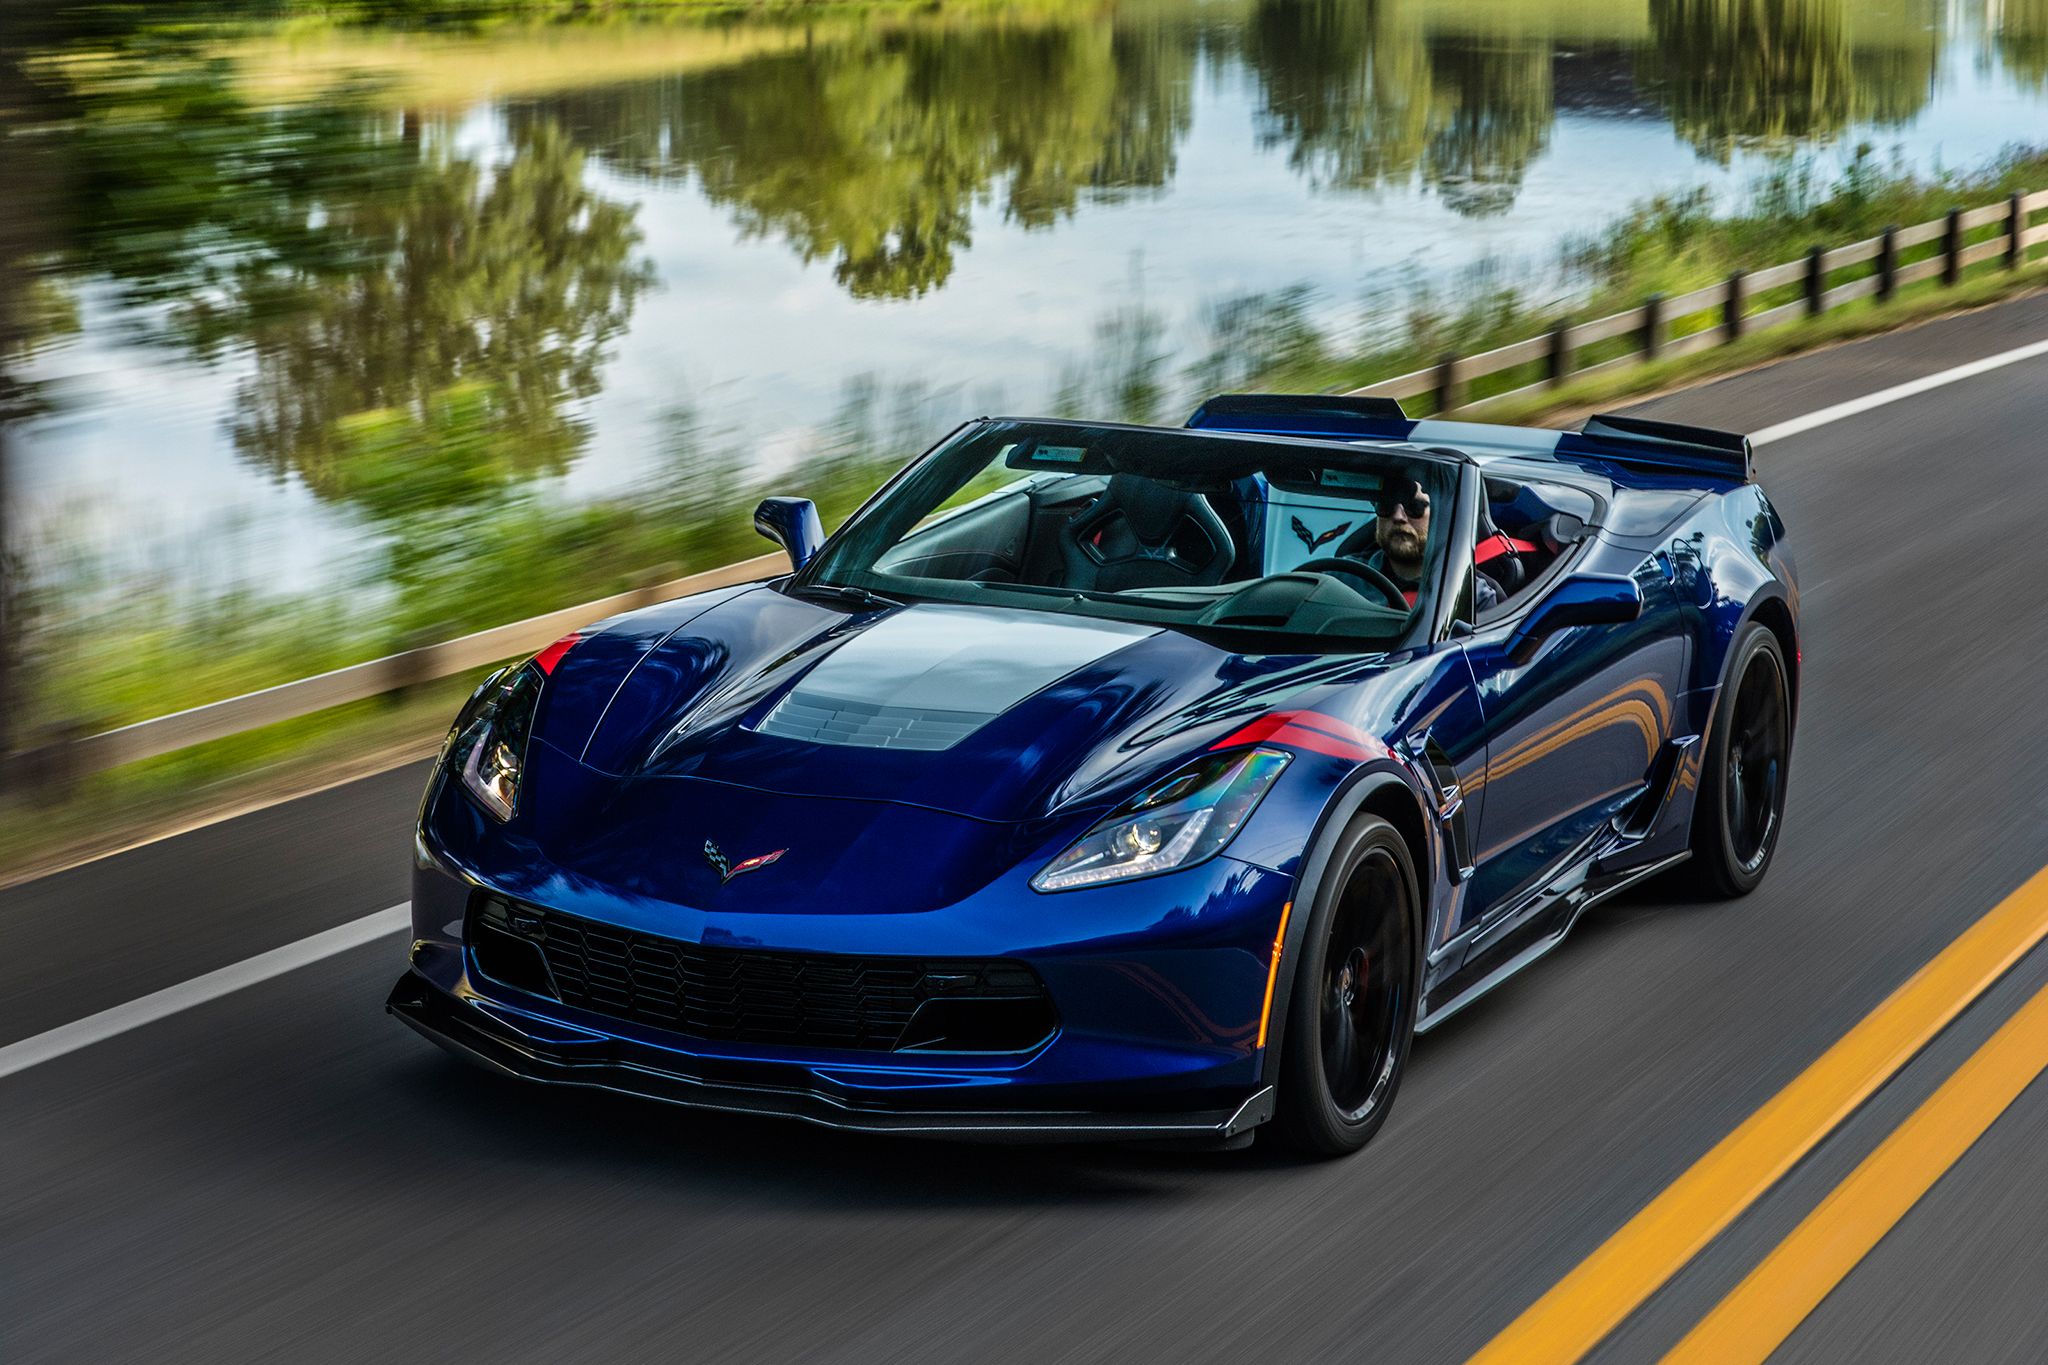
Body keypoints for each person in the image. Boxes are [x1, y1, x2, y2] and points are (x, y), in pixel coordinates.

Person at [1341, 471, 1500, 612]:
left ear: (1444, 515)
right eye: (1386, 505)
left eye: (1414, 506)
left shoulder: (1471, 596)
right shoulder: (1341, 577)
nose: (1398, 517)